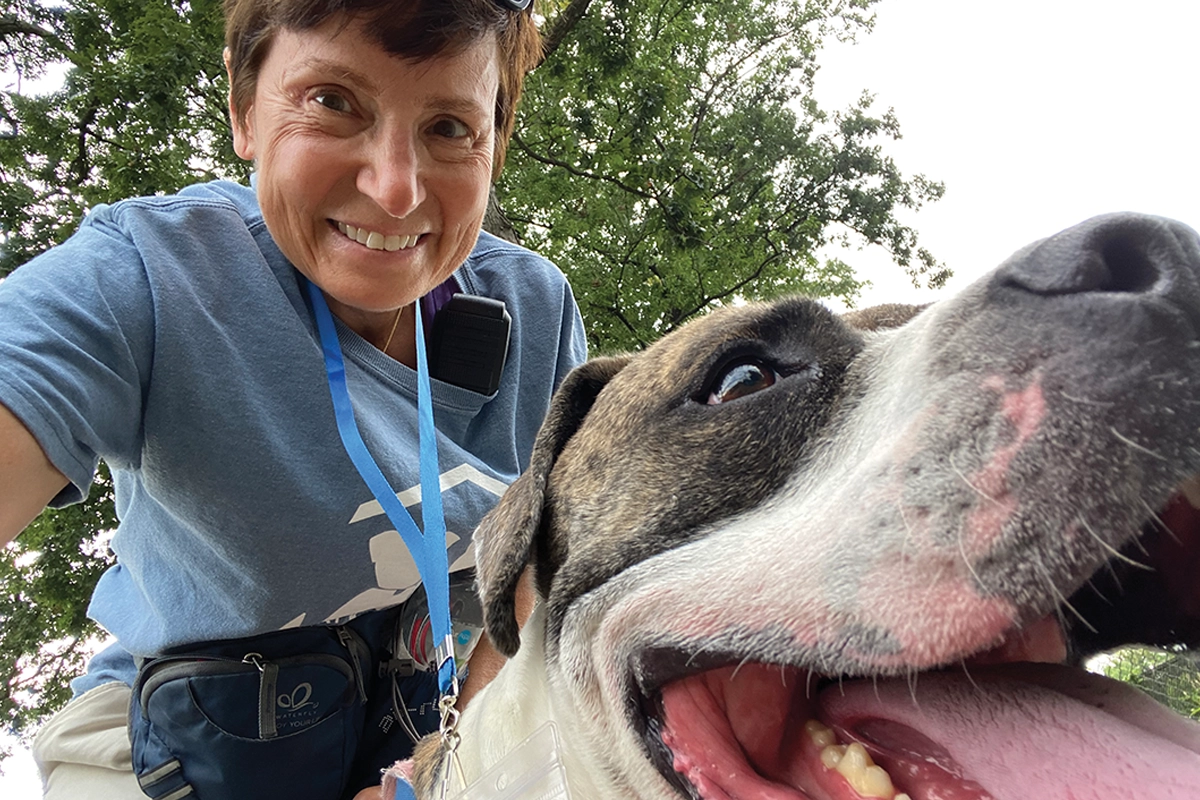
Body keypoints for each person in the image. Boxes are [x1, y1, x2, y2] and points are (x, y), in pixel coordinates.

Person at [0, 0, 585, 797]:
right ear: (244, 110)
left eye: (450, 127)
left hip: (420, 741)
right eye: (333, 101)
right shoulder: (148, 275)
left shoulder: (536, 310)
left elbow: (541, 577)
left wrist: (449, 770)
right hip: (167, 751)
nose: (395, 189)